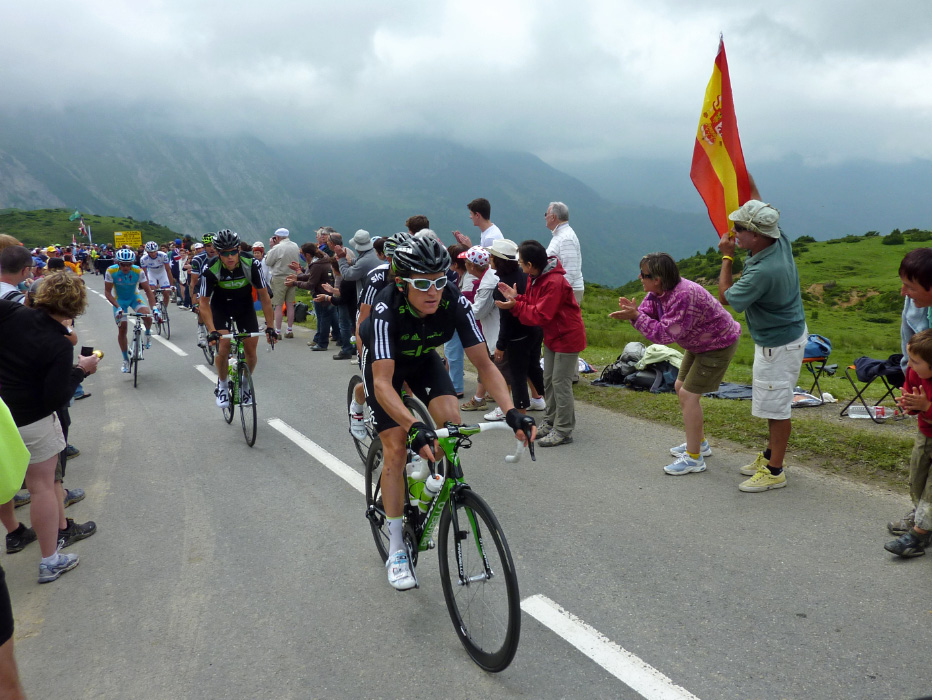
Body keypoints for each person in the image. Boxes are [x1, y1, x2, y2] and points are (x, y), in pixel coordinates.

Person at [359, 236, 535, 590]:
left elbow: (484, 364)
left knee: (451, 429)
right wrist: (412, 426)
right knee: (395, 446)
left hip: (423, 360)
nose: (433, 292)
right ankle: (396, 548)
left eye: (439, 281)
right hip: (385, 370)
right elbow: (381, 385)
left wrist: (512, 411)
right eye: (422, 284)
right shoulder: (384, 310)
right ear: (401, 282)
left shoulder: (454, 301)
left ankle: (422, 473)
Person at [0, 273, 100, 583]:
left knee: (4, 481)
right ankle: (50, 560)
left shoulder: (10, 312)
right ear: (75, 308)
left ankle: (14, 533)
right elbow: (56, 397)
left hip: (2, 414)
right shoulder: (58, 344)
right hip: (34, 421)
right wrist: (81, 371)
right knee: (42, 486)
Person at [610, 253, 741, 475]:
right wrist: (634, 314)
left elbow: (664, 335)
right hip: (699, 343)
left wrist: (636, 317)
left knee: (689, 396)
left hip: (718, 343)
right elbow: (647, 315)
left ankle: (694, 459)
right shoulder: (657, 292)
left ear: (657, 278)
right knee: (681, 388)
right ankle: (699, 444)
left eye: (643, 274)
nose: (639, 277)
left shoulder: (683, 295)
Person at [718, 189, 807, 493]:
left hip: (778, 345)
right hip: (783, 336)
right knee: (772, 402)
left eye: (740, 229)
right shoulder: (777, 239)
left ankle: (775, 471)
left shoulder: (765, 271)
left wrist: (727, 256)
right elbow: (754, 194)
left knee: (776, 408)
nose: (735, 233)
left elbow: (727, 296)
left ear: (757, 235)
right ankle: (770, 455)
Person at [496, 239, 585, 448]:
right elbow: (534, 303)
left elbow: (540, 315)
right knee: (549, 380)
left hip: (567, 337)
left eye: (521, 262)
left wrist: (515, 306)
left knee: (560, 383)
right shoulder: (538, 277)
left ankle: (563, 430)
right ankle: (551, 421)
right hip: (554, 336)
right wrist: (517, 298)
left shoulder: (553, 282)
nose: (519, 265)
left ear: (530, 264)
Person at [198, 229, 278, 408]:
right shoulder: (210, 268)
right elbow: (203, 303)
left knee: (251, 352)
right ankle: (223, 384)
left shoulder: (251, 264)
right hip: (221, 307)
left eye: (234, 251)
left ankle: (244, 384)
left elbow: (265, 297)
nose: (230, 257)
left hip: (244, 307)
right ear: (218, 253)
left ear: (239, 250)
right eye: (225, 254)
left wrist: (270, 327)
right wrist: (211, 331)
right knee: (224, 347)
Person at [487, 238, 546, 420]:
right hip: (535, 330)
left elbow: (507, 321)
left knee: (517, 375)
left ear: (499, 260)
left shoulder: (502, 286)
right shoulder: (525, 275)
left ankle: (521, 415)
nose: (489, 258)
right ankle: (548, 400)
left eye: (492, 255)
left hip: (517, 337)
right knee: (534, 368)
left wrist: (500, 345)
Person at [885, 329, 932, 557]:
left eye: (915, 361)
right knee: (917, 480)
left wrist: (927, 407)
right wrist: (910, 404)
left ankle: (918, 536)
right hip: (926, 434)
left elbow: (925, 408)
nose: (909, 365)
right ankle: (922, 517)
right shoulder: (914, 373)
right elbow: (912, 401)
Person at [458, 246, 500, 412]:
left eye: (466, 262)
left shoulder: (487, 284)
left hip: (497, 332)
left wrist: (461, 303)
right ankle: (536, 397)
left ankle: (484, 401)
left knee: (491, 364)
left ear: (472, 266)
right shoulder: (489, 276)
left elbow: (477, 312)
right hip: (495, 330)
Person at [104, 248, 159, 373]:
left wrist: (155, 308)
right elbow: (107, 292)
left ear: (132, 263)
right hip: (120, 301)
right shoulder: (111, 271)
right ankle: (125, 359)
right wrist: (118, 307)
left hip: (134, 297)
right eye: (123, 264)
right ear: (118, 263)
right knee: (123, 328)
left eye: (128, 264)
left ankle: (148, 332)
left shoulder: (138, 271)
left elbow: (148, 291)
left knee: (147, 315)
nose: (126, 267)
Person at [264, 228, 302, 338]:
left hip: (279, 277)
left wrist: (271, 248)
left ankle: (278, 331)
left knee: (278, 305)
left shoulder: (277, 248)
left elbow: (268, 262)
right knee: (290, 304)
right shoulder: (295, 246)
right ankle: (289, 330)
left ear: (277, 237)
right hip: (292, 277)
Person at [898, 248, 932, 373]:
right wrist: (913, 388)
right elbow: (908, 359)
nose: (903, 293)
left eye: (910, 287)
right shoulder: (912, 304)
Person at [544, 201, 584, 304]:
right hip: (563, 289)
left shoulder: (566, 238)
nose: (545, 217)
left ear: (553, 217)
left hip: (568, 290)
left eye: (546, 214)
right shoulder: (560, 234)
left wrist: (556, 292)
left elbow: (570, 271)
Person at [138, 240, 175, 320]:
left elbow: (168, 270)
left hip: (162, 272)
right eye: (150, 252)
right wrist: (147, 287)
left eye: (154, 251)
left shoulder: (163, 255)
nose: (153, 254)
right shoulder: (144, 259)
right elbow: (144, 274)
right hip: (151, 273)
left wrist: (172, 285)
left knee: (166, 292)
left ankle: (164, 310)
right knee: (152, 291)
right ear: (147, 252)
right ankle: (154, 310)